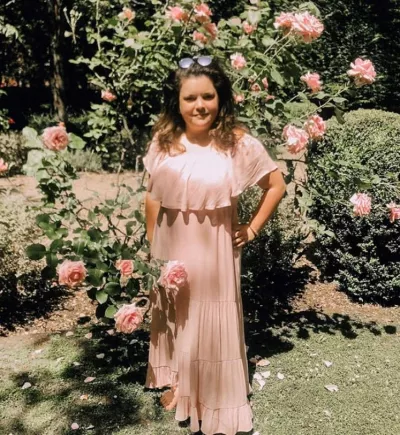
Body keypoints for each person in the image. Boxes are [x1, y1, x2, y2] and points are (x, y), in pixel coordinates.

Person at [143, 56, 286, 435]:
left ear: (220, 98)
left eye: (208, 96)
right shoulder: (164, 142)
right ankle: (181, 385)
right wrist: (152, 245)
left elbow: (276, 186)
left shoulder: (238, 144)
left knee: (208, 319)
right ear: (177, 102)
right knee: (177, 316)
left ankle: (212, 394)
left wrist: (252, 229)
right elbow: (153, 197)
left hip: (216, 250)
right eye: (190, 98)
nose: (200, 106)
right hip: (171, 243)